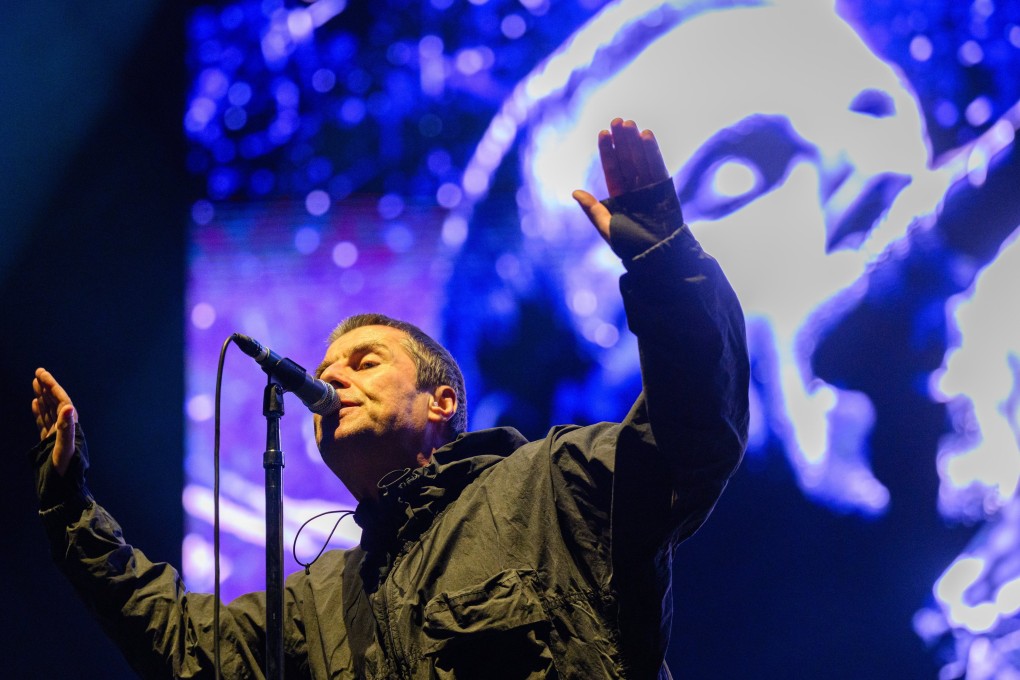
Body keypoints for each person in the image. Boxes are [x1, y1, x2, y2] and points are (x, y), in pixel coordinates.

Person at [31, 119, 749, 678]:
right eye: (326, 366)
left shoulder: (553, 486)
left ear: (441, 403)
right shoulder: (320, 604)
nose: (332, 377)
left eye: (364, 361)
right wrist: (70, 511)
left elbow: (693, 433)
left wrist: (664, 262)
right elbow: (184, 647)